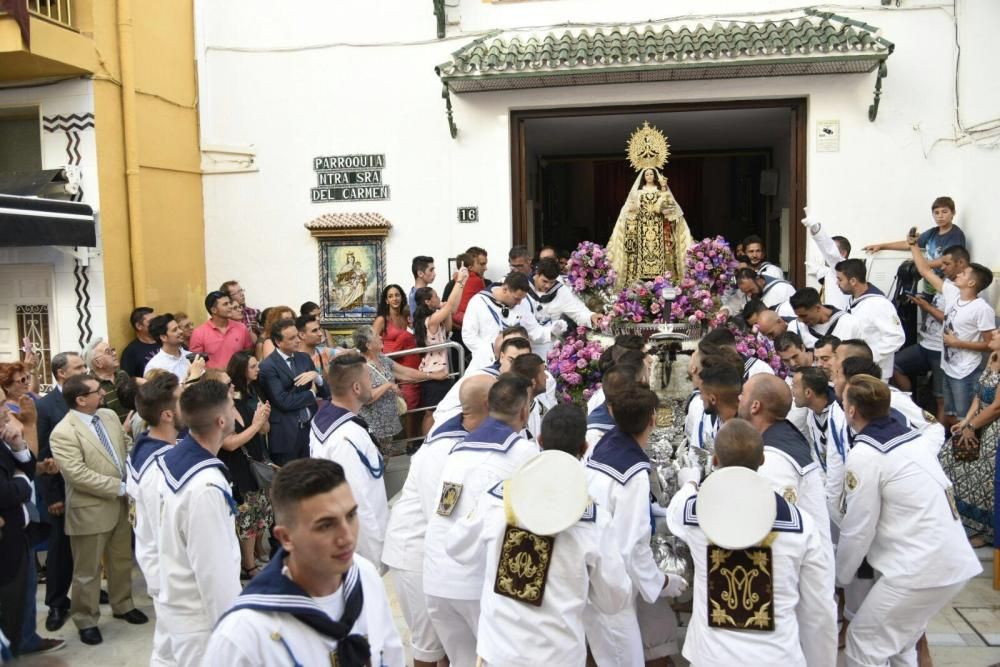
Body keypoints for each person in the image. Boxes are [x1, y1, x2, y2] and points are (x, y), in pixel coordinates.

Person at [446, 405, 632, 666]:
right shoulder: (594, 518)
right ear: (584, 447)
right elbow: (614, 599)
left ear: (540, 441)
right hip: (558, 654)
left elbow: (455, 547)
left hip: (500, 651)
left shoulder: (498, 498)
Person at [667, 419, 837, 666]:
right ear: (762, 461)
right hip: (776, 657)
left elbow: (674, 512)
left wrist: (691, 484)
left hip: (712, 658)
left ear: (714, 460)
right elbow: (819, 611)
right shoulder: (801, 524)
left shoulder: (693, 517)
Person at [203, 458, 405, 666]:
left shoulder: (364, 576)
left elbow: (391, 654)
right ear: (286, 538)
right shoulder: (243, 636)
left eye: (351, 515)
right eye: (326, 525)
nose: (347, 537)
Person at [837, 374, 981, 665]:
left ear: (851, 411)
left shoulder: (866, 454)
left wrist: (838, 577)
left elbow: (858, 529)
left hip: (918, 569)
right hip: (947, 560)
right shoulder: (912, 438)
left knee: (862, 644)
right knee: (902, 644)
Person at [423, 375, 539, 667]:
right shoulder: (521, 452)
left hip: (437, 578)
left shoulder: (458, 450)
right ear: (524, 411)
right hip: (476, 583)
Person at [382, 374, 495, 667]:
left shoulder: (466, 439)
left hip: (436, 556)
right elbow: (443, 514)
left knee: (446, 648)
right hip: (416, 556)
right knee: (428, 649)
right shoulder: (446, 449)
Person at [585, 385, 686, 666]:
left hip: (591, 567)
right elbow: (631, 546)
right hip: (611, 582)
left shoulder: (601, 446)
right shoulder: (634, 473)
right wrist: (662, 581)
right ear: (653, 419)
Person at [49, 375, 147, 646]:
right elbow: (77, 475)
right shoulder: (63, 432)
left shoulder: (108, 416)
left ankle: (123, 604)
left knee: (121, 561)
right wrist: (120, 486)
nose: (103, 394)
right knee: (87, 571)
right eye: (96, 391)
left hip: (120, 505)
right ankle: (86, 620)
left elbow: (124, 446)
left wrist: (135, 472)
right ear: (80, 400)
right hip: (90, 510)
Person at [155, 379, 242, 664]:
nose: (234, 410)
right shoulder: (206, 486)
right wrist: (232, 632)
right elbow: (214, 571)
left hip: (176, 600)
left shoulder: (177, 457)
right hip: (200, 622)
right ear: (221, 420)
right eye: (231, 406)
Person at [0, 390, 65, 657]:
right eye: (1, 404)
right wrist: (23, 483)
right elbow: (8, 492)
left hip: (18, 530)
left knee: (24, 592)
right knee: (12, 595)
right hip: (7, 538)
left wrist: (18, 446)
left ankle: (25, 638)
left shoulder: (4, 435)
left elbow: (24, 472)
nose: (7, 409)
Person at [310, 353, 388, 566]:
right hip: (362, 549)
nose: (372, 383)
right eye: (368, 379)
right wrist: (377, 557)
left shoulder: (323, 417)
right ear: (356, 388)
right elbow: (356, 502)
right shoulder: (348, 437)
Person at [908, 237, 995, 424]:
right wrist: (913, 246)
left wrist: (958, 343)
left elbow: (991, 345)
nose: (959, 275)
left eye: (964, 274)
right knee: (949, 415)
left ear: (971, 283)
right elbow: (925, 270)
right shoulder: (953, 293)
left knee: (964, 419)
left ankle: (964, 452)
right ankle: (950, 448)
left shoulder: (982, 308)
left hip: (966, 372)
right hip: (948, 367)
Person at [739, 374, 831, 547]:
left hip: (801, 565)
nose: (739, 398)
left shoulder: (773, 458)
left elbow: (775, 531)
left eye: (743, 394)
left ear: (755, 406)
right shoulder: (780, 436)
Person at [127, 373, 182, 666]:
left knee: (166, 646)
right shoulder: (160, 467)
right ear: (167, 414)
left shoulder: (147, 447)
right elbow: (167, 530)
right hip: (168, 570)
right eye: (183, 397)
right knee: (177, 651)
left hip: (159, 566)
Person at [35, 351, 87, 632]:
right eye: (78, 366)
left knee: (87, 546)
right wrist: (53, 496)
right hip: (61, 489)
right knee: (59, 550)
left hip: (89, 487)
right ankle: (57, 603)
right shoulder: (46, 407)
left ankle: (86, 592)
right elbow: (44, 455)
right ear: (62, 373)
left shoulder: (88, 400)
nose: (84, 369)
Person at [893, 245, 970, 420]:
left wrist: (926, 306)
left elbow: (953, 320)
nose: (942, 267)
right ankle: (911, 411)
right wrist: (913, 246)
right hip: (926, 344)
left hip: (942, 350)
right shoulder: (950, 283)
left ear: (961, 263)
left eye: (946, 264)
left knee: (941, 398)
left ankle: (940, 439)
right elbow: (925, 271)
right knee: (895, 365)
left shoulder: (965, 289)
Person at [215, 360, 274, 578]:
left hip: (253, 467)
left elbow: (261, 430)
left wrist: (263, 419)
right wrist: (256, 425)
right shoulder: (216, 415)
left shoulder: (239, 405)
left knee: (257, 516)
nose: (232, 386)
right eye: (226, 384)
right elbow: (229, 443)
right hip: (235, 470)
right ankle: (248, 566)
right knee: (245, 520)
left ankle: (252, 558)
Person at [943, 329, 1000, 547]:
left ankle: (982, 530)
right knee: (948, 455)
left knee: (979, 470)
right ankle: (955, 519)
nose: (993, 333)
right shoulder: (993, 358)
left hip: (994, 428)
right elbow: (978, 394)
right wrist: (966, 422)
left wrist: (973, 427)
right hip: (978, 421)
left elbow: (996, 407)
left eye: (999, 332)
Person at [354, 325, 444, 451]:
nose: (381, 337)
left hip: (387, 426)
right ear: (368, 345)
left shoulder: (382, 359)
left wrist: (432, 375)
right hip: (372, 427)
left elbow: (406, 373)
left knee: (384, 461)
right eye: (376, 336)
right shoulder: (360, 366)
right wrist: (388, 385)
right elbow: (367, 397)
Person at [607, 165, 695, 288]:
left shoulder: (661, 192)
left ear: (655, 176)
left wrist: (664, 191)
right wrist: (632, 211)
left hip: (660, 229)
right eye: (647, 174)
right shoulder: (638, 193)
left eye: (651, 174)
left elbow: (670, 207)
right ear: (644, 177)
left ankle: (664, 283)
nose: (649, 176)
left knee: (664, 256)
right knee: (639, 258)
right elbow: (629, 211)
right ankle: (639, 284)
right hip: (641, 230)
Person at [863, 196, 966, 293]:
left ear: (953, 213)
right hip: (929, 283)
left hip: (945, 284)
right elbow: (909, 244)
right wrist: (881, 246)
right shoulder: (932, 233)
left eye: (944, 212)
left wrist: (921, 265)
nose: (940, 216)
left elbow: (948, 260)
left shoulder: (956, 234)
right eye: (936, 213)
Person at [259, 318, 326, 465]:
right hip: (286, 434)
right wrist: (311, 394)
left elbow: (327, 393)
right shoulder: (268, 366)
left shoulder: (304, 358)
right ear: (278, 342)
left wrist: (317, 378)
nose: (298, 340)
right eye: (292, 338)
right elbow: (283, 401)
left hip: (311, 429)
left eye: (297, 335)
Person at [431, 333, 530, 427]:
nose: (515, 366)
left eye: (521, 362)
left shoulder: (523, 382)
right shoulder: (479, 378)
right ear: (502, 357)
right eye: (511, 360)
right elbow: (443, 411)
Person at [463, 271, 555, 370]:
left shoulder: (521, 304)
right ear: (505, 290)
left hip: (515, 365)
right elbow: (469, 336)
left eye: (522, 299)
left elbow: (535, 331)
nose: (519, 303)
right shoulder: (478, 302)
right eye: (516, 299)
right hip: (486, 363)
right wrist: (490, 353)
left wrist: (552, 331)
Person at [414, 267, 469, 433]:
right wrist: (459, 282)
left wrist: (447, 311)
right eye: (436, 296)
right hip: (433, 372)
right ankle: (426, 443)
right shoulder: (429, 320)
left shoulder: (435, 318)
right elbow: (451, 305)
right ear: (427, 302)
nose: (439, 298)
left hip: (444, 370)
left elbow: (450, 320)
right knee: (431, 412)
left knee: (441, 409)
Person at [835, 258, 905, 381]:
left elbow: (896, 337)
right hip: (855, 369)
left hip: (874, 372)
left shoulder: (879, 304)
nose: (837, 283)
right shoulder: (854, 300)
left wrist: (868, 357)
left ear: (853, 281)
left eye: (840, 279)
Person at [526, 257, 602, 358]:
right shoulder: (523, 286)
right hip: (524, 344)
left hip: (548, 347)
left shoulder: (561, 291)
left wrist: (592, 316)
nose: (548, 286)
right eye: (544, 281)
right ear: (537, 273)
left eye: (552, 282)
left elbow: (578, 311)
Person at [373, 284, 422, 423]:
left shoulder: (405, 316)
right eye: (390, 296)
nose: (394, 298)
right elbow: (371, 343)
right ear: (386, 300)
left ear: (402, 297)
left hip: (407, 366)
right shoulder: (382, 319)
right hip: (389, 366)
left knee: (412, 404)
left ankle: (411, 441)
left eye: (397, 295)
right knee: (399, 406)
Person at [800, 210, 853, 311]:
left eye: (833, 248)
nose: (827, 254)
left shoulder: (841, 266)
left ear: (843, 254)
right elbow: (826, 273)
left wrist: (816, 229)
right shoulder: (833, 270)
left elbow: (828, 249)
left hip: (839, 318)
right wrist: (817, 270)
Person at [190, 290, 254, 370]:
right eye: (225, 304)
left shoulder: (241, 328)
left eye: (229, 303)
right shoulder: (199, 333)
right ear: (214, 310)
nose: (230, 306)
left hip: (239, 379)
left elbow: (248, 354)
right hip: (212, 381)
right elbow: (197, 364)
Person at [789, 287, 863, 343]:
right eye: (798, 316)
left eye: (804, 316)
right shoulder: (795, 327)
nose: (800, 320)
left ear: (817, 308)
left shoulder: (850, 323)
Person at [82, 338, 130, 422]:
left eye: (112, 350)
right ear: (98, 363)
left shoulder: (122, 374)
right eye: (108, 352)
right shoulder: (91, 386)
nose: (114, 353)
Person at [0, 362, 40, 455]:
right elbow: (19, 430)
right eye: (22, 380)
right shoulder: (6, 409)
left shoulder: (29, 395)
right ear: (7, 386)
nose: (27, 382)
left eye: (27, 378)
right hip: (28, 449)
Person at [143, 313, 192, 382]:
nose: (181, 331)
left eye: (179, 328)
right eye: (175, 330)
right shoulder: (155, 366)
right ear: (163, 337)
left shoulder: (190, 356)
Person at [119, 306, 158, 378]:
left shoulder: (165, 341)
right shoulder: (131, 352)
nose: (156, 324)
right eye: (151, 321)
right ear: (139, 326)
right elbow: (128, 381)